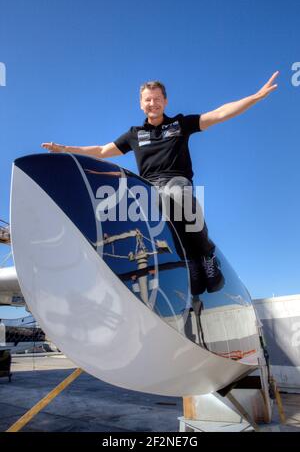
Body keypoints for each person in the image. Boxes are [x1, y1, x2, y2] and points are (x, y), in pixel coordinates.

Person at [42, 72, 279, 295]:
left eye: (157, 99)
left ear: (165, 101)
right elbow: (103, 150)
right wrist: (65, 149)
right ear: (141, 104)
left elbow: (219, 114)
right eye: (147, 100)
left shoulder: (179, 124)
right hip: (149, 186)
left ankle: (206, 255)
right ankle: (188, 262)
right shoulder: (134, 134)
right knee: (138, 212)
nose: (152, 103)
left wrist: (255, 97)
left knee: (176, 194)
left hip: (176, 180)